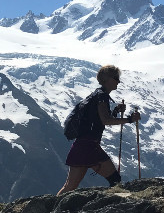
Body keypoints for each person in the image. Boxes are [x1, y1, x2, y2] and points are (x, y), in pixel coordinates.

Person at [58, 65, 140, 195]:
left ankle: (52, 211)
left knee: (70, 185)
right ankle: (114, 208)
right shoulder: (102, 96)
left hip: (81, 145)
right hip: (89, 146)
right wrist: (129, 119)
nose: (118, 81)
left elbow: (98, 119)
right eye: (116, 78)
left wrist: (116, 111)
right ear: (108, 79)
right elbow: (105, 120)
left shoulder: (97, 95)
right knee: (115, 179)